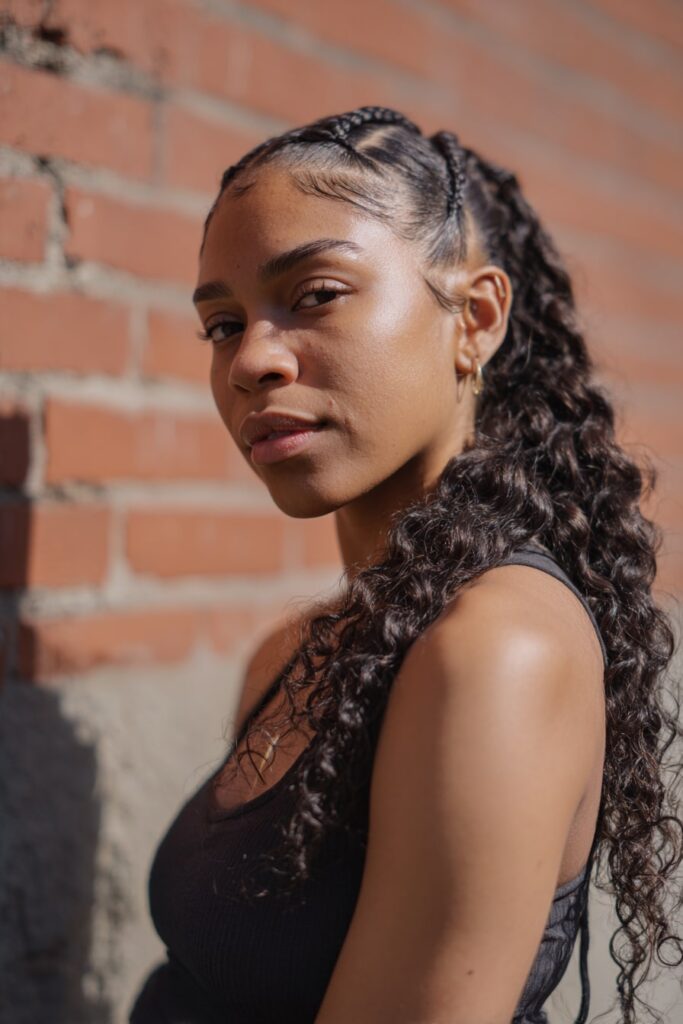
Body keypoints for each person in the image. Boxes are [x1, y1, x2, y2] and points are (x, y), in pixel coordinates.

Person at [129, 106, 681, 1024]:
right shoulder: (293, 655)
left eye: (315, 294)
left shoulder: (494, 655)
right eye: (222, 323)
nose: (251, 361)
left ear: (473, 318)